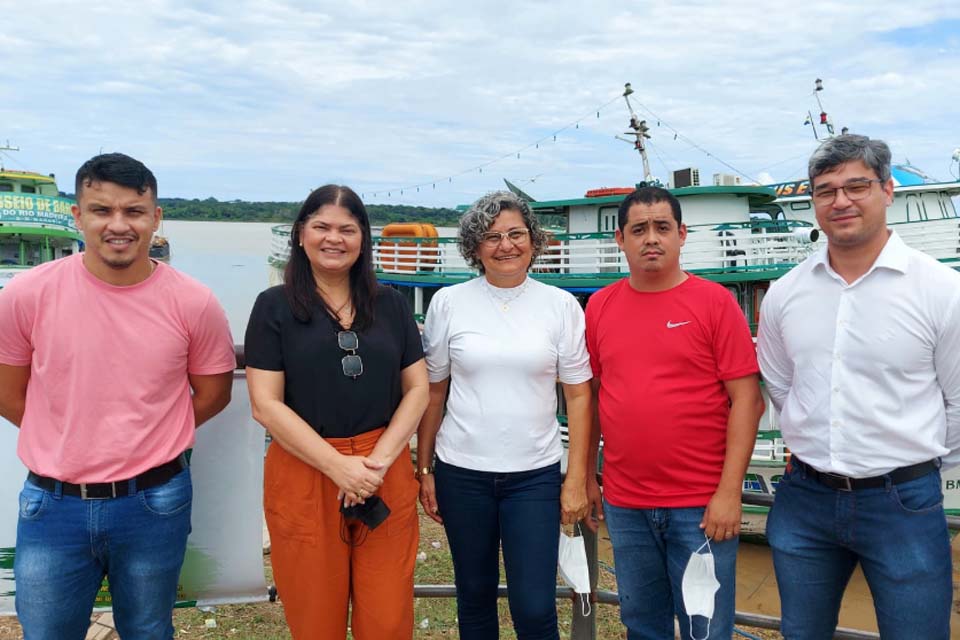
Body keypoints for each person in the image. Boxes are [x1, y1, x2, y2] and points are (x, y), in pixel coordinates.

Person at [0, 153, 236, 639]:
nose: (118, 225)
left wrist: (145, 438)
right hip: (52, 503)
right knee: (45, 632)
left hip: (155, 500)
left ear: (156, 217)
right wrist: (69, 436)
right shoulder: (26, 295)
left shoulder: (194, 302)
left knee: (149, 630)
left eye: (133, 211)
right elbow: (7, 391)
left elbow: (213, 393)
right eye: (102, 210)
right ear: (78, 216)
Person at [757, 134, 959, 639]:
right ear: (814, 203)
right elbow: (782, 385)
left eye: (856, 186)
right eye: (825, 191)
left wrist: (913, 462)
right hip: (804, 500)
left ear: (888, 190)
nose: (840, 201)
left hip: (902, 504)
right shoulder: (786, 294)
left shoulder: (940, 290)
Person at [245, 184, 428, 639]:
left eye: (347, 229)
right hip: (304, 468)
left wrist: (376, 464)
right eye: (321, 226)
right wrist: (338, 468)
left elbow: (418, 388)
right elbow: (265, 404)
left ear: (363, 238)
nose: (334, 238)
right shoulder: (274, 307)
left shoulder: (390, 305)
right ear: (301, 234)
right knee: (314, 617)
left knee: (388, 617)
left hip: (381, 467)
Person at [584, 186, 764, 640]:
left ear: (681, 235)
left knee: (705, 628)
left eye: (662, 227)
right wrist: (588, 476)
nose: (651, 239)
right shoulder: (601, 306)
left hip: (700, 506)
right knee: (642, 626)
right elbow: (593, 398)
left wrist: (729, 492)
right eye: (638, 229)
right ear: (619, 240)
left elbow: (747, 399)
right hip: (626, 504)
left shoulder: (715, 302)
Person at [417, 190, 593, 640]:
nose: (506, 245)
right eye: (491, 237)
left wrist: (575, 477)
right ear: (475, 248)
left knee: (534, 608)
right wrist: (425, 467)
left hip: (533, 475)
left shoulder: (560, 306)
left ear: (533, 240)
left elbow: (577, 395)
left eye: (516, 233)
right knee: (474, 597)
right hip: (462, 472)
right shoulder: (449, 303)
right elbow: (434, 391)